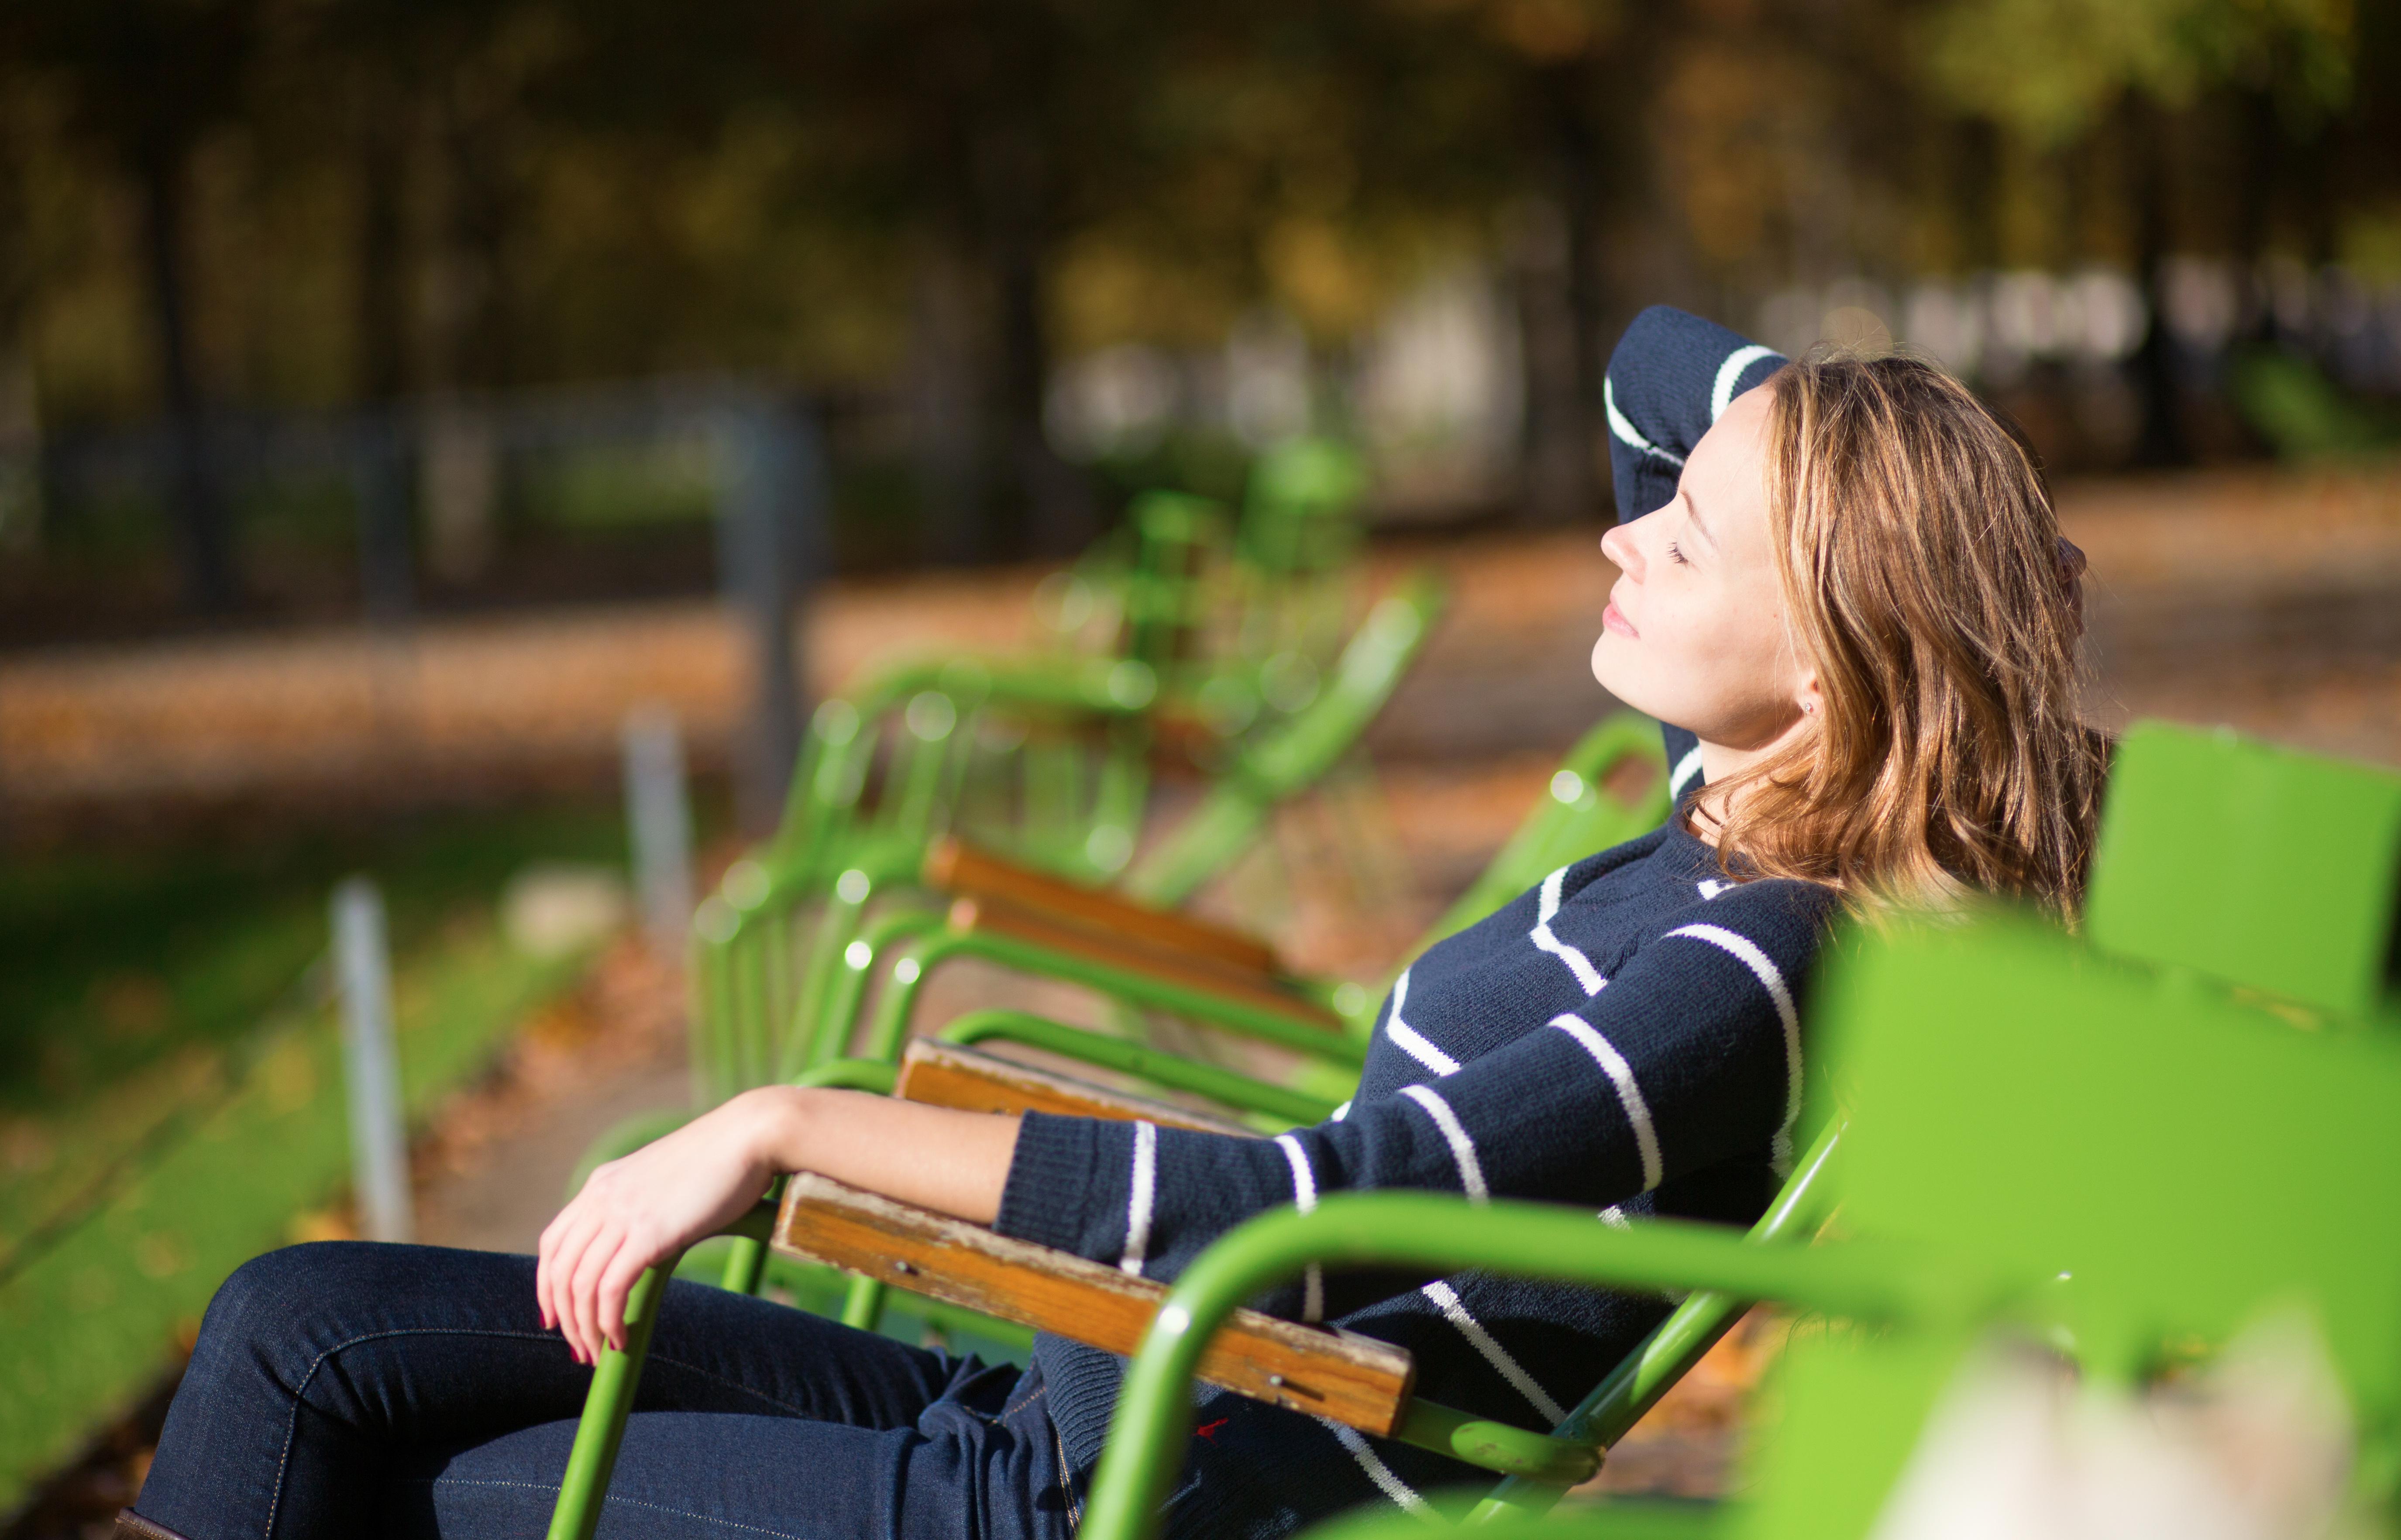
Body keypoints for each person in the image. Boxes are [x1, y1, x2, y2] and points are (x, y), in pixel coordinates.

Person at [120, 308, 2102, 1540]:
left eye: (1681, 535)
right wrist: (1829, 447)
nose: (1619, 522)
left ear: (1840, 648)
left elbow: (1313, 1210)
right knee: (298, 1331)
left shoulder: (1751, 961)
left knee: (356, 1472)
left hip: (1109, 1482)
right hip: (1062, 1393)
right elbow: (1652, 361)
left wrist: (781, 1126)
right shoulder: (1723, 815)